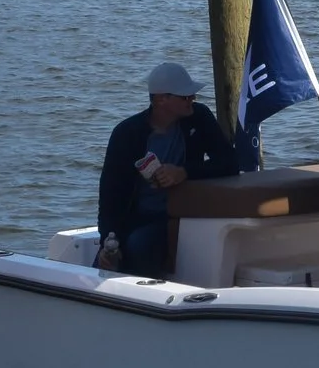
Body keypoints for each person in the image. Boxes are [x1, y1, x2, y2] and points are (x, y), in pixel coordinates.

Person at [96, 61, 242, 274]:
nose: (192, 99)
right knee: (102, 265)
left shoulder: (199, 118)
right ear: (160, 100)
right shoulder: (127, 134)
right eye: (184, 96)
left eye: (191, 95)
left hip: (183, 216)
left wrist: (184, 173)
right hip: (139, 216)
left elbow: (230, 162)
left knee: (140, 245)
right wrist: (107, 241)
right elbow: (110, 194)